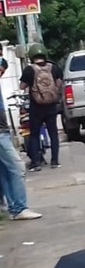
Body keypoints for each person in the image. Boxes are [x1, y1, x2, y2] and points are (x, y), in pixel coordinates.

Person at [0, 57, 42, 220]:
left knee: (5, 171)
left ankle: (13, 207)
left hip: (3, 130)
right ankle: (19, 207)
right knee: (17, 167)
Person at [20, 43, 63, 172]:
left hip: (36, 107)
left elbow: (22, 86)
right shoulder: (54, 68)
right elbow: (58, 84)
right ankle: (55, 161)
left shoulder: (29, 69)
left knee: (34, 135)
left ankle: (36, 163)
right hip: (51, 107)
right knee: (53, 134)